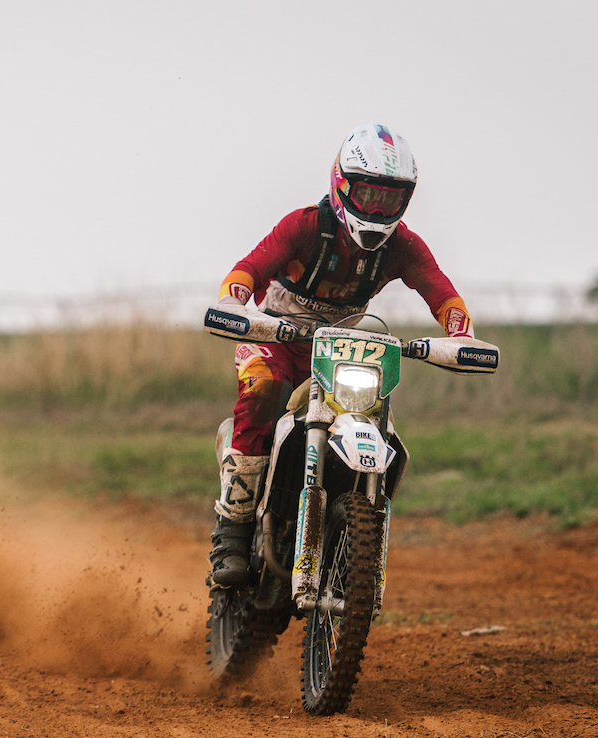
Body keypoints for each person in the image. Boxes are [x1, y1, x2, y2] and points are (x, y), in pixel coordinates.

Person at [203, 123, 476, 587]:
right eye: (368, 194)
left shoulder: (403, 246)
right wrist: (233, 301)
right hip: (276, 339)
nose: (376, 209)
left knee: (377, 419)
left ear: (406, 200)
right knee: (264, 390)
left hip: (340, 353)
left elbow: (443, 295)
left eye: (389, 199)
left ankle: (351, 523)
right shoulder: (305, 226)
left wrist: (462, 334)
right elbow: (248, 269)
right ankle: (231, 533)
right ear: (342, 184)